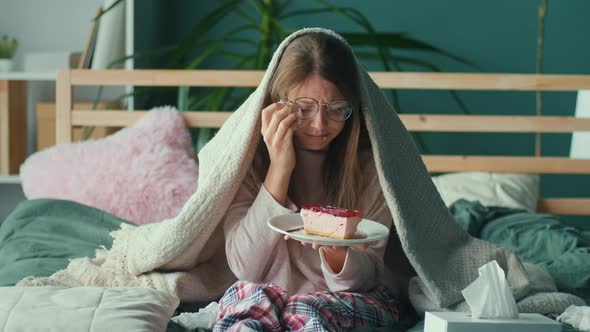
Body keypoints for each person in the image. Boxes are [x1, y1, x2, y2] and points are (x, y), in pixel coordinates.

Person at [213, 31, 415, 331]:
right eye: (303, 109)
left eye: (336, 110)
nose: (319, 125)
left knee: (304, 307)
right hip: (265, 290)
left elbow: (368, 274)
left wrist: (337, 254)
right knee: (245, 298)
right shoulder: (248, 163)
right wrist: (280, 169)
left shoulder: (372, 169)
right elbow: (246, 268)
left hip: (348, 297)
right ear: (276, 105)